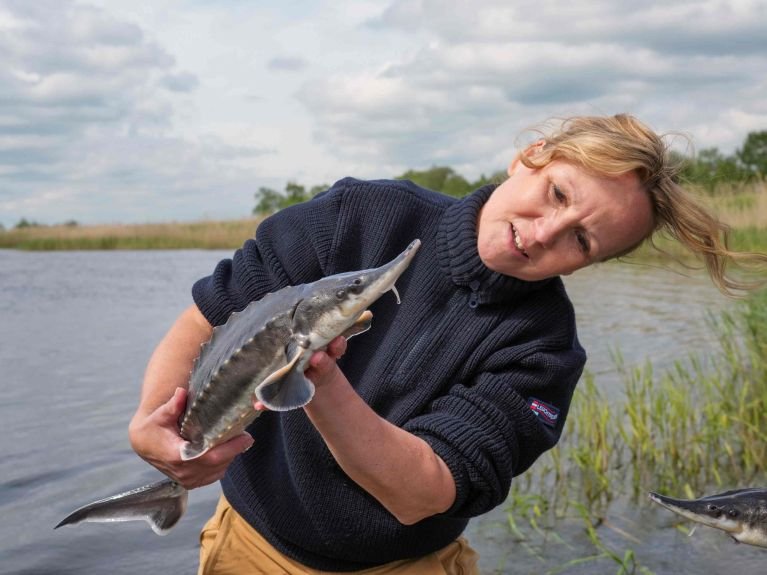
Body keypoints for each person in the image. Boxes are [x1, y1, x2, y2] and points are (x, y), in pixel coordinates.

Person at [128, 114, 766, 574]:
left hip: (405, 567)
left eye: (582, 241)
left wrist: (317, 375)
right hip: (249, 546)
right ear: (530, 157)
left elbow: (423, 491)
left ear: (586, 266)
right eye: (558, 194)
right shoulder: (359, 212)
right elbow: (209, 316)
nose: (545, 232)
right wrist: (152, 426)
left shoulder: (543, 351)